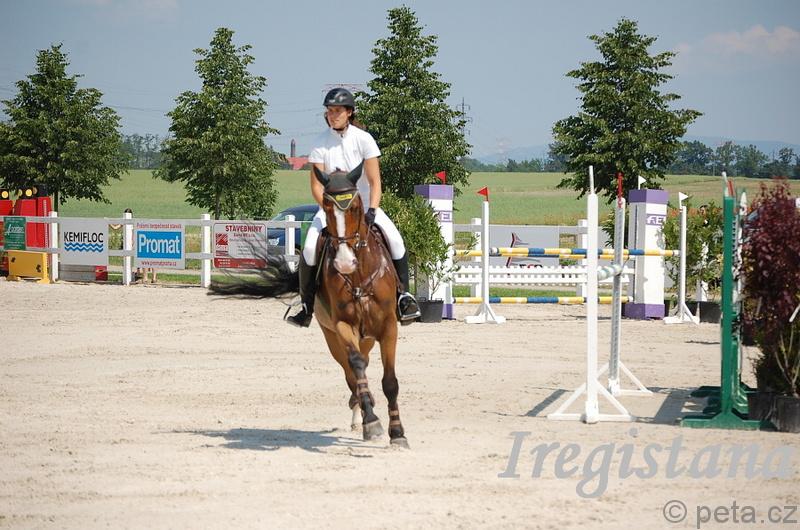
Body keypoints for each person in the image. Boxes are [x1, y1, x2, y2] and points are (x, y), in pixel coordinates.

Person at [286, 87, 420, 327]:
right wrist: (330, 210)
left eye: (337, 111)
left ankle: (404, 297)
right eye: (329, 111)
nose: (332, 115)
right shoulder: (320, 144)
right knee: (309, 247)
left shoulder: (364, 140)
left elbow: (375, 182)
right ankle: (306, 305)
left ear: (349, 112)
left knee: (396, 241)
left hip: (365, 207)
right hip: (331, 210)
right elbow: (316, 186)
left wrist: (372, 210)